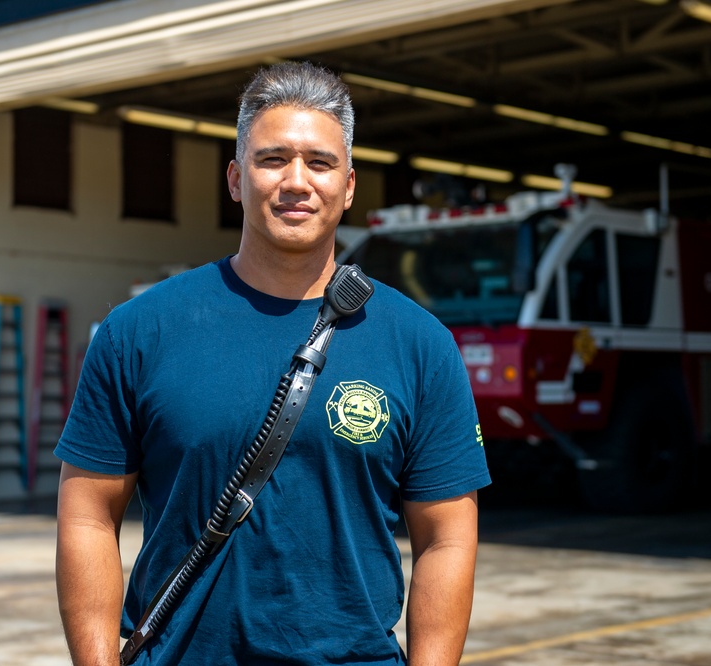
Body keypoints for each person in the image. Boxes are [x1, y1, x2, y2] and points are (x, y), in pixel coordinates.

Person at [54, 60, 491, 666]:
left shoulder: (420, 344)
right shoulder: (140, 331)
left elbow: (446, 537)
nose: (296, 181)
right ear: (235, 179)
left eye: (319, 162)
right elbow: (87, 519)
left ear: (350, 185)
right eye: (271, 159)